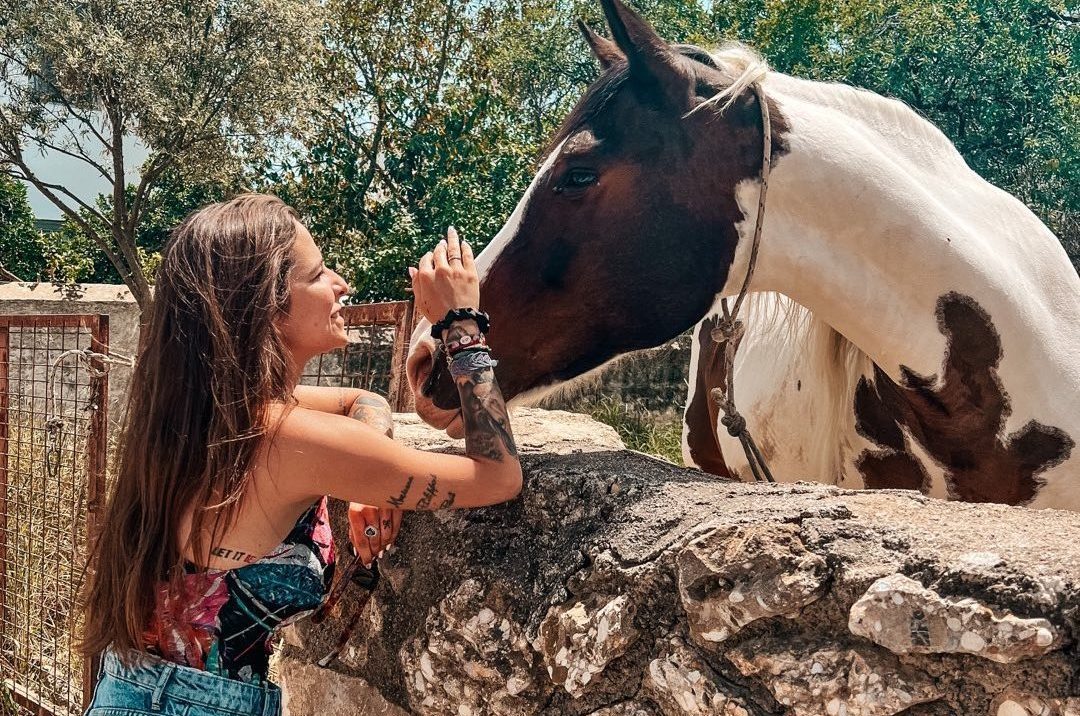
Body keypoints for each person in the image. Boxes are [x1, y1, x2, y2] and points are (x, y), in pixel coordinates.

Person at [79, 193, 521, 716]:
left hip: (141, 691)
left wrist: (367, 470)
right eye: (317, 274)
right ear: (264, 306)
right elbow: (499, 475)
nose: (341, 284)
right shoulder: (284, 438)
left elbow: (364, 400)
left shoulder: (215, 413)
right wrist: (462, 324)